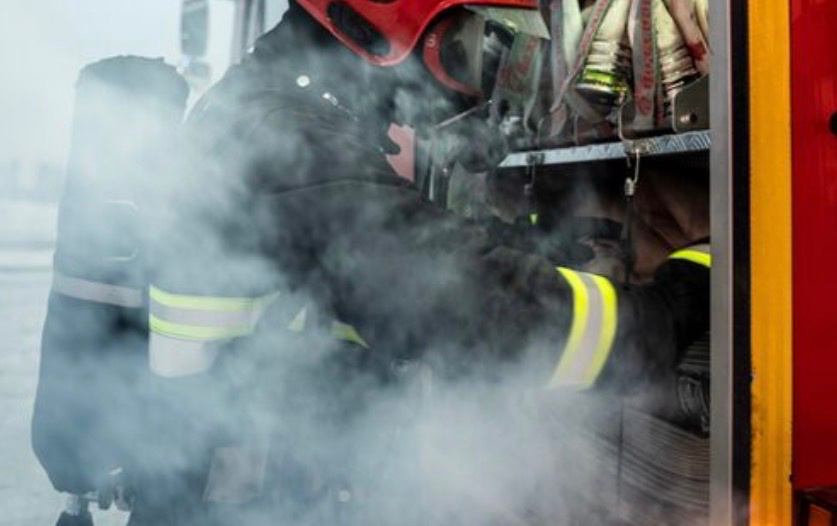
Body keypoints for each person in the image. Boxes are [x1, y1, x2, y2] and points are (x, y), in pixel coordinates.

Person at [134, 1, 711, 524]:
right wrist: (668, 308)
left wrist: (530, 254)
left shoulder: (269, 109)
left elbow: (365, 260)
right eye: (477, 48)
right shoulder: (287, 136)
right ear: (387, 21)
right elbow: (467, 310)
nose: (480, 89)